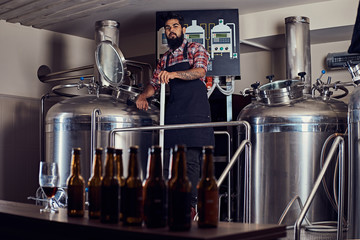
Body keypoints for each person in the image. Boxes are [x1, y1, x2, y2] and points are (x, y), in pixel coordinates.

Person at [136, 12, 215, 215]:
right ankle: (167, 206)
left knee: (189, 162)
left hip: (194, 115)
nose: (171, 31)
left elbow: (200, 72)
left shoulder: (196, 49)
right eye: (168, 28)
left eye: (175, 26)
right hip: (173, 115)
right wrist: (143, 96)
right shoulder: (165, 58)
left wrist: (174, 74)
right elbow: (154, 83)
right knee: (168, 162)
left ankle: (190, 207)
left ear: (183, 30)